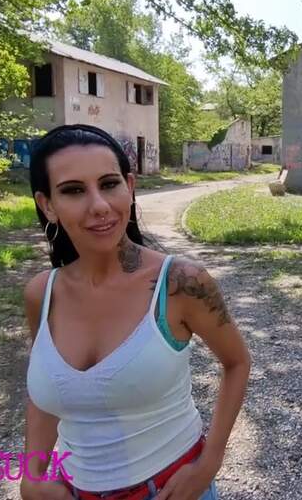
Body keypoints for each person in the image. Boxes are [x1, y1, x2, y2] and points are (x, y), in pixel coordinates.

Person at [21, 124, 251, 500]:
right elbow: (47, 392)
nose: (99, 205)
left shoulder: (180, 282)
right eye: (73, 190)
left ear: (129, 186)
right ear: (48, 205)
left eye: (109, 184)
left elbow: (237, 362)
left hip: (170, 490)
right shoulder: (41, 294)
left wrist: (209, 462)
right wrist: (32, 475)